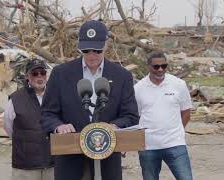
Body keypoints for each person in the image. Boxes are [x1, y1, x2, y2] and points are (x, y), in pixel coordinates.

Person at [40, 20, 139, 180]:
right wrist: (58, 126)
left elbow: (131, 116)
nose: (91, 55)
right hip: (69, 159)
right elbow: (47, 114)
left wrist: (114, 126)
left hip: (107, 160)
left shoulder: (122, 76)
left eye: (97, 50)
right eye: (86, 50)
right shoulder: (61, 74)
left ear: (106, 45)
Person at [134, 51, 193, 180]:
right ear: (148, 67)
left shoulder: (178, 85)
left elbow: (186, 112)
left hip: (175, 143)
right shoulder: (138, 88)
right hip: (148, 146)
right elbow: (136, 116)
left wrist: (177, 131)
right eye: (156, 67)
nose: (160, 69)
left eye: (164, 66)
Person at [4, 57, 54, 180]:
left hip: (52, 163)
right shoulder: (16, 99)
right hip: (25, 165)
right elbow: (8, 126)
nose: (39, 77)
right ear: (27, 76)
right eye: (35, 73)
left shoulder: (55, 96)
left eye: (42, 73)